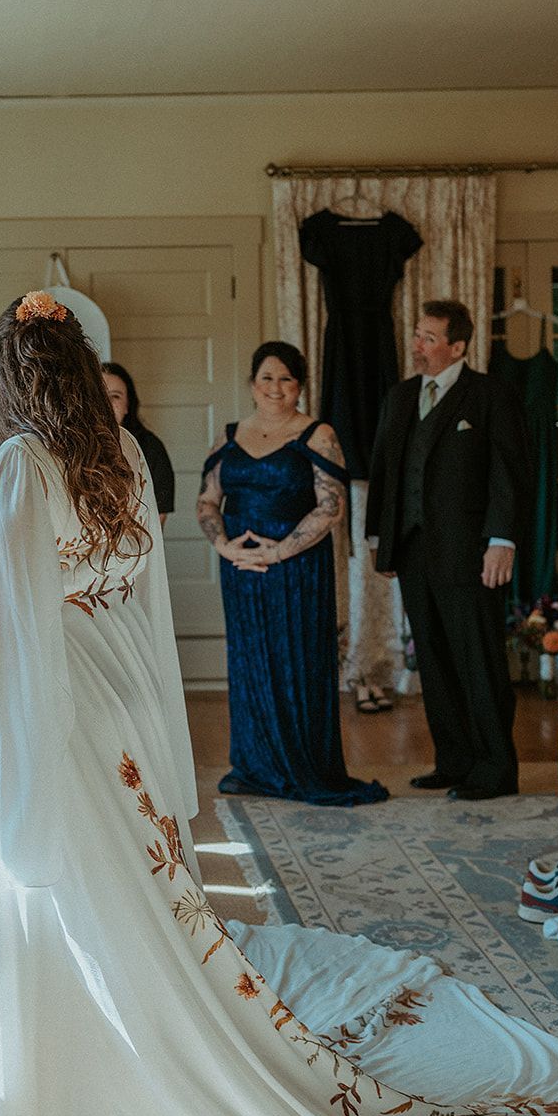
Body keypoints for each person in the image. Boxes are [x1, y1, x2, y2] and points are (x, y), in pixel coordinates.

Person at [0, 293, 558, 1116]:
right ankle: (122, 1051)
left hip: (49, 714)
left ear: (12, 376)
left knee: (59, 900)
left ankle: (71, 1092)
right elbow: (141, 613)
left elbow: (1, 627)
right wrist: (154, 732)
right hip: (114, 716)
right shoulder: (123, 458)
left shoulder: (19, 466)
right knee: (125, 893)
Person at [197, 341, 387, 805]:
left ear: (300, 386)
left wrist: (278, 552)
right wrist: (223, 545)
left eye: (286, 378)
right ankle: (257, 766)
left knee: (297, 664)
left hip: (297, 570)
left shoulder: (318, 434)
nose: (276, 388)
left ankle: (304, 765)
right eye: (267, 378)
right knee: (250, 663)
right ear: (252, 384)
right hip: (241, 570)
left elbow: (331, 509)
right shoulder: (228, 435)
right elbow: (206, 501)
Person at [366, 301, 532, 800]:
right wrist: (382, 538)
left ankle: (496, 768)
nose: (417, 346)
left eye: (429, 338)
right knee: (434, 659)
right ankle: (455, 760)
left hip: (471, 554)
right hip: (415, 550)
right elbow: (385, 470)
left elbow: (511, 473)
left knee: (478, 659)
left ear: (458, 347)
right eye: (417, 335)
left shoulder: (490, 396)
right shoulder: (400, 397)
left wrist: (501, 540)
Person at [102, 362, 175, 524]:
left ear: (128, 405)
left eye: (115, 396)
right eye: (99, 395)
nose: (106, 403)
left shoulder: (150, 447)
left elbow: (158, 517)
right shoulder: (71, 448)